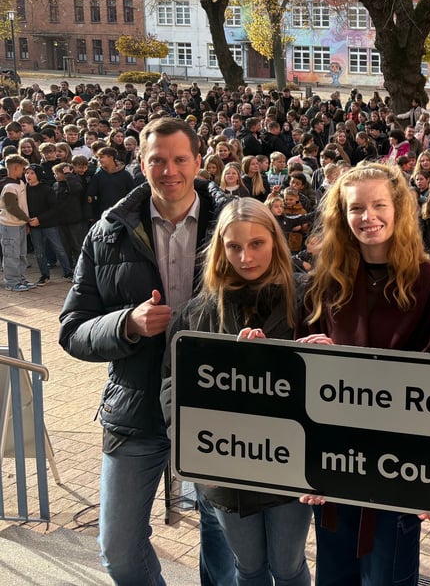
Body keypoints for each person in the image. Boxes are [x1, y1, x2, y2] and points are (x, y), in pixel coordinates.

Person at [58, 117, 236, 585]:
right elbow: (72, 329)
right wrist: (126, 324)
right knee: (117, 549)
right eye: (157, 160)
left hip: (217, 408)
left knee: (225, 550)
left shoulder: (236, 225)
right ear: (142, 164)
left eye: (180, 159)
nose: (169, 170)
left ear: (199, 161)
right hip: (136, 408)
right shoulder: (107, 232)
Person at [295, 162, 430, 586]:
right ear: (341, 216)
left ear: (398, 208)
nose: (369, 217)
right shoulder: (324, 281)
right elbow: (297, 376)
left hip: (394, 467)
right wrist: (310, 356)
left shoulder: (429, 283)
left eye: (379, 204)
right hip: (334, 460)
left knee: (387, 578)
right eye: (356, 208)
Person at [162, 198, 311, 585]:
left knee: (288, 566)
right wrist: (191, 443)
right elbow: (171, 387)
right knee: (248, 567)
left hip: (291, 467)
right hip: (226, 474)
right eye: (234, 246)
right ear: (220, 250)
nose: (245, 257)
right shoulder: (197, 313)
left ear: (276, 243)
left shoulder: (310, 300)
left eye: (257, 244)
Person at [0, 154, 33, 291]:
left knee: (21, 254)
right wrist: (28, 220)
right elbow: (12, 208)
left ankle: (21, 279)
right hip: (9, 226)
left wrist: (24, 223)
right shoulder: (8, 187)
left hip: (20, 225)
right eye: (22, 169)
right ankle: (12, 282)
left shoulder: (20, 183)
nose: (23, 172)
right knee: (11, 255)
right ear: (15, 168)